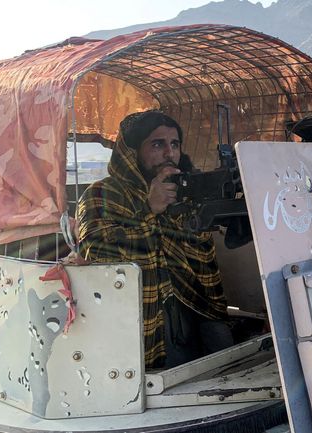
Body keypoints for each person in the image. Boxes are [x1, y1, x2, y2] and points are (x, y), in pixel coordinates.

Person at [76, 110, 234, 369]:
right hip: (142, 315)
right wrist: (150, 209)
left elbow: (203, 255)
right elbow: (96, 252)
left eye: (175, 144)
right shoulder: (102, 194)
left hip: (198, 306)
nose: (169, 153)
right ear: (132, 152)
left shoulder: (184, 191)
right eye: (157, 144)